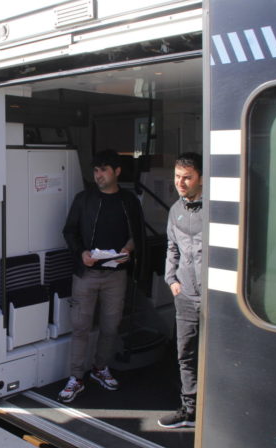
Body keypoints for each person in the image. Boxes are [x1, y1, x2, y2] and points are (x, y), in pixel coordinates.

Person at [58, 149, 145, 403]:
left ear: (117, 172)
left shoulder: (128, 200)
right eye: (95, 171)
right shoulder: (83, 199)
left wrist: (128, 249)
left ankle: (100, 368)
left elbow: (136, 234)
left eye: (103, 170)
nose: (98, 176)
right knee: (80, 327)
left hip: (116, 275)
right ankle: (76, 377)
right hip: (86, 273)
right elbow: (69, 231)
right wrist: (81, 253)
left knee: (110, 326)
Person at [158, 152, 203, 429]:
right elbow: (171, 247)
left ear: (200, 177)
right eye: (177, 177)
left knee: (216, 355)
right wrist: (171, 280)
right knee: (185, 354)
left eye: (187, 177)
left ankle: (217, 410)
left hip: (216, 298)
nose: (181, 183)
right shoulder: (176, 210)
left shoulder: (217, 206)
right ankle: (190, 410)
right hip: (184, 295)